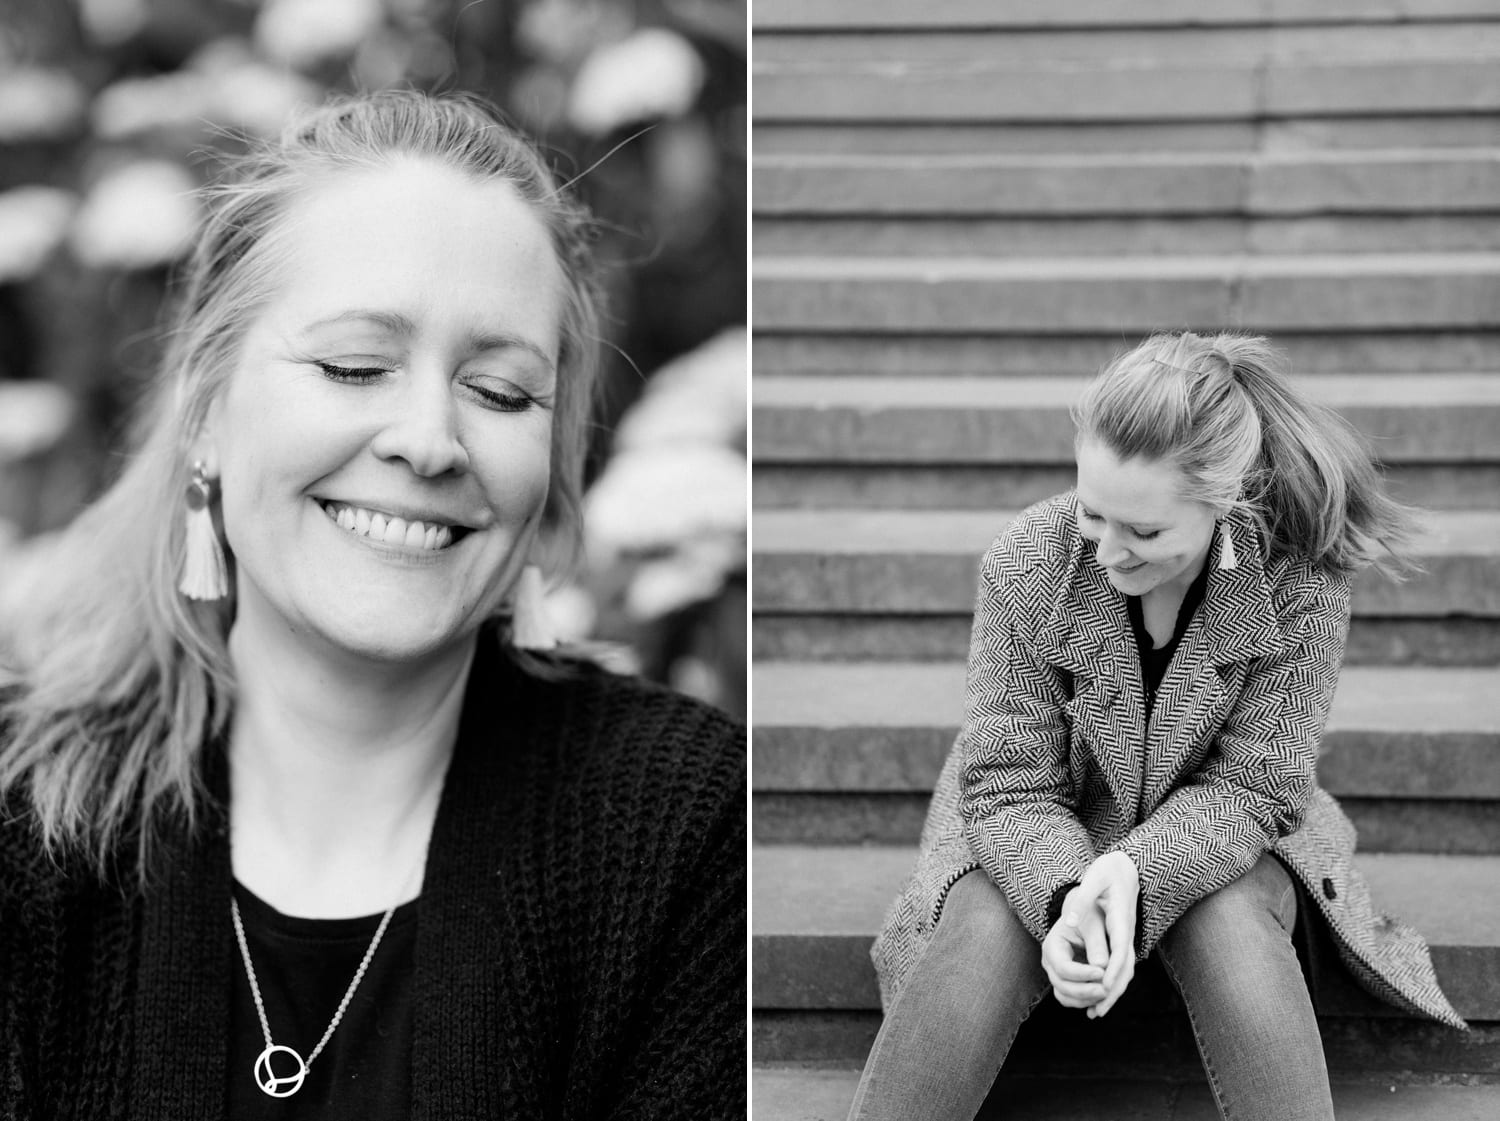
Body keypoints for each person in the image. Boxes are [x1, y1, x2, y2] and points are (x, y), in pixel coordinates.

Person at [0, 91, 744, 1119]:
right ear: (206, 413)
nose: (430, 438)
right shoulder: (22, 827)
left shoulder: (686, 829)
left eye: (500, 392)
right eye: (357, 365)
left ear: (555, 469)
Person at [849, 332, 1465, 1121]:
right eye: (1093, 514)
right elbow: (1007, 783)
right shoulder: (1028, 561)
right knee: (983, 916)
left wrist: (1138, 869)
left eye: (1144, 533)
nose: (1107, 549)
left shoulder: (1298, 580)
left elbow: (1256, 784)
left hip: (1229, 831)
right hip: (1039, 822)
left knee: (1228, 912)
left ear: (1225, 503)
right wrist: (1072, 888)